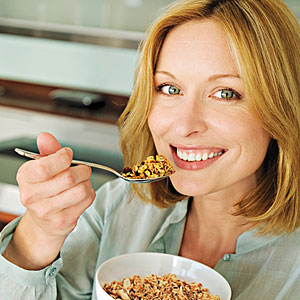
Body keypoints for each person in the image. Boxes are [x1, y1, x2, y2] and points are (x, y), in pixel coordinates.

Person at [1, 0, 300, 298]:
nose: (184, 126)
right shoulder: (116, 207)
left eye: (225, 94)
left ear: (280, 108)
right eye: (170, 89)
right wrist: (38, 235)